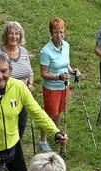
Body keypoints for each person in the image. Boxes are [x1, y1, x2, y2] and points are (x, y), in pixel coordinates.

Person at [0, 21, 35, 171]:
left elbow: (30, 71)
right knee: (5, 130)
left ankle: (13, 155)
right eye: (11, 33)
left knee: (21, 126)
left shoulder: (23, 51)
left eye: (17, 33)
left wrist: (30, 83)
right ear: (6, 35)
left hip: (22, 97)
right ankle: (1, 161)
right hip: (4, 98)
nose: (14, 36)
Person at [38, 18, 81, 152]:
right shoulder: (45, 51)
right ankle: (43, 140)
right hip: (51, 88)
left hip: (64, 86)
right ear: (51, 33)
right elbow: (43, 74)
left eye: (61, 32)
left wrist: (73, 71)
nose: (59, 35)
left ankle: (56, 135)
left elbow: (66, 65)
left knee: (59, 111)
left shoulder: (66, 45)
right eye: (56, 32)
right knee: (49, 114)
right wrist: (58, 76)